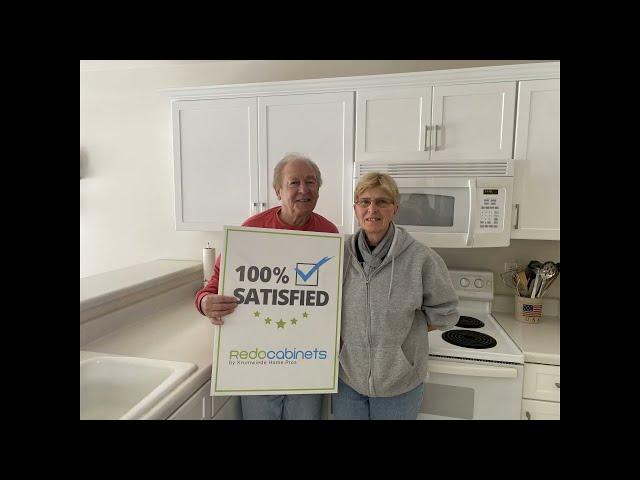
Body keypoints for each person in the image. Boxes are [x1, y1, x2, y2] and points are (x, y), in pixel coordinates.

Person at [195, 153, 338, 420]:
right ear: (278, 190)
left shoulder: (329, 235)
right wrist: (205, 303)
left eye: (310, 182)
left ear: (318, 189)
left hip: (307, 363)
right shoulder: (252, 229)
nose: (303, 189)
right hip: (257, 360)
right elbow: (213, 285)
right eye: (294, 182)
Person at [333, 172, 459, 420]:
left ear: (395, 208)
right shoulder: (339, 254)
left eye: (382, 201)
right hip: (347, 379)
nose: (372, 209)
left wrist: (400, 340)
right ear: (355, 208)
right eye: (365, 201)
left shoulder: (421, 258)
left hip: (400, 384)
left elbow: (446, 314)